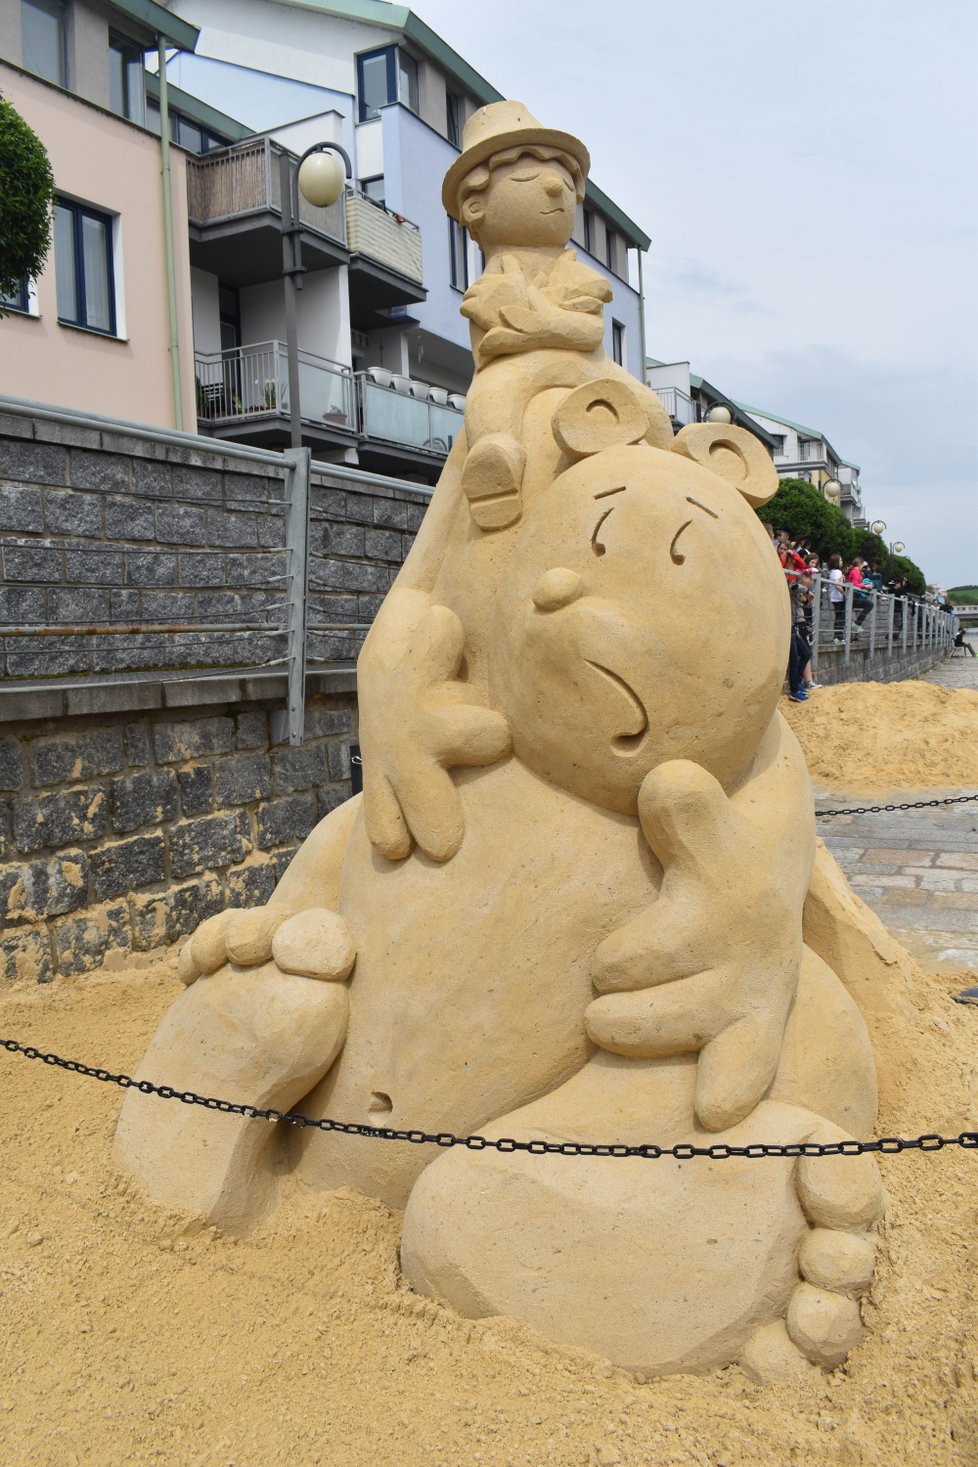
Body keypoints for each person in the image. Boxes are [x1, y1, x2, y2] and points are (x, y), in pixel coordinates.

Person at [828, 552, 846, 641]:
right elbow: (837, 584)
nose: (842, 562)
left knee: (839, 616)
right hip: (837, 597)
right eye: (840, 560)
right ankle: (838, 636)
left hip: (835, 597)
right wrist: (845, 594)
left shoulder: (832, 571)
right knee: (840, 616)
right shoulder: (837, 572)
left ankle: (838, 636)